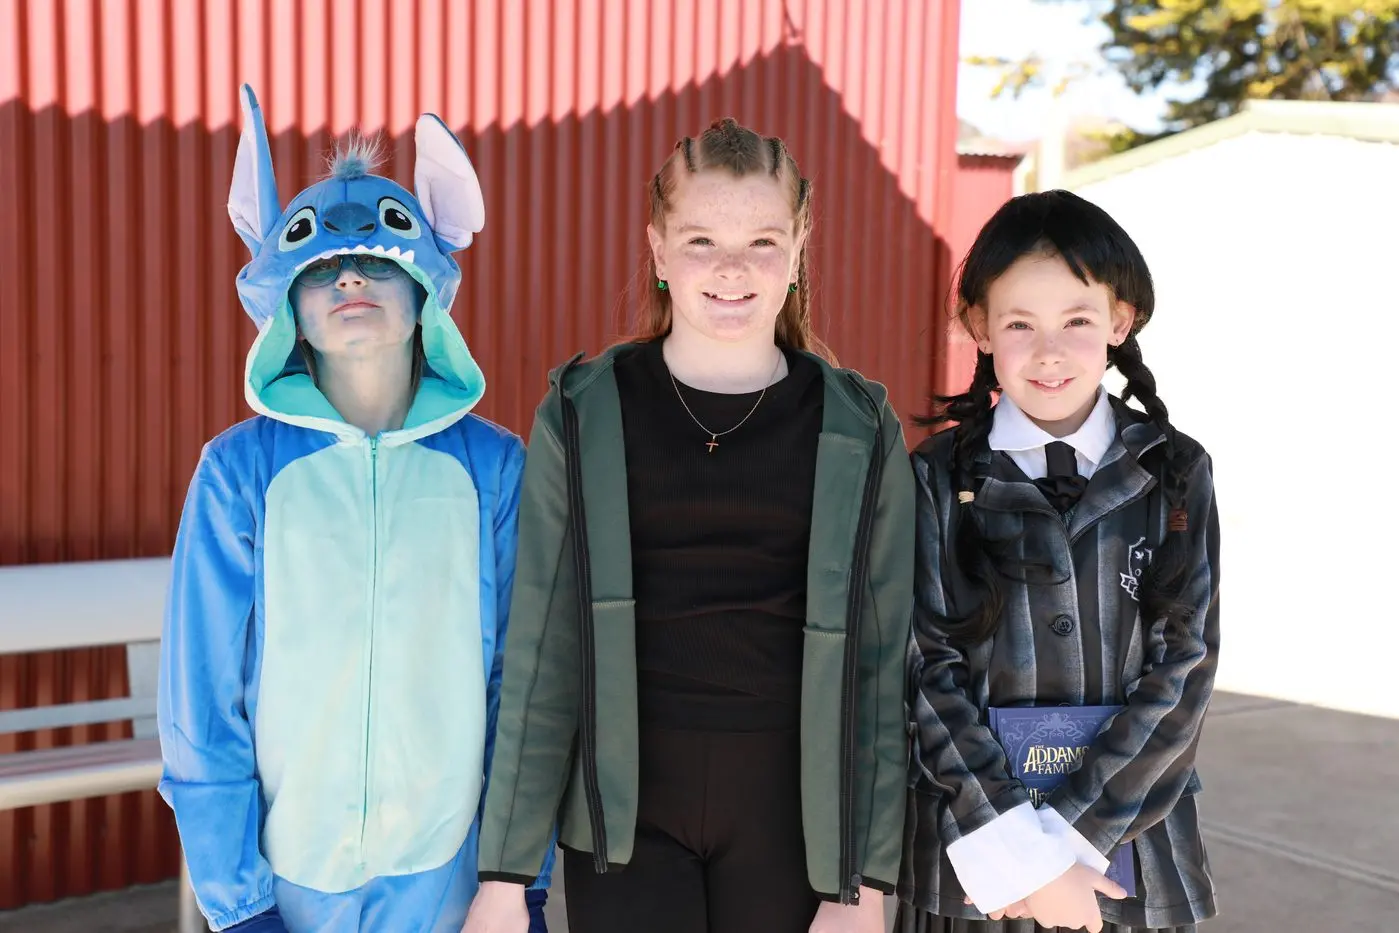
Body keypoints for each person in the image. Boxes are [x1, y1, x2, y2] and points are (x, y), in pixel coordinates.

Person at [461, 118, 914, 933]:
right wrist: (503, 875)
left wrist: (862, 882)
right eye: (701, 238)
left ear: (800, 244)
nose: (732, 268)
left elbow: (879, 668)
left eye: (762, 240)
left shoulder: (856, 423)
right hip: (625, 821)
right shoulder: (584, 406)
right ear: (659, 250)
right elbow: (542, 647)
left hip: (794, 821)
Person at [157, 84, 551, 933]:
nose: (349, 277)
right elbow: (201, 702)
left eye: (378, 260)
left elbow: (522, 686)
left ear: (424, 292)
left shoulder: (495, 468)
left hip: (454, 883)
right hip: (290, 883)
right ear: (286, 304)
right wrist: (237, 902)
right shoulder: (237, 474)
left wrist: (517, 875)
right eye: (320, 268)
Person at [897, 189, 1220, 933]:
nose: (1048, 350)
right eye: (1019, 323)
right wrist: (1023, 851)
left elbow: (1184, 666)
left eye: (1076, 320)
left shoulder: (1173, 471)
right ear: (977, 326)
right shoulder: (935, 475)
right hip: (977, 853)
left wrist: (1074, 840)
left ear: (1118, 319)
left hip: (1125, 847)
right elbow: (923, 667)